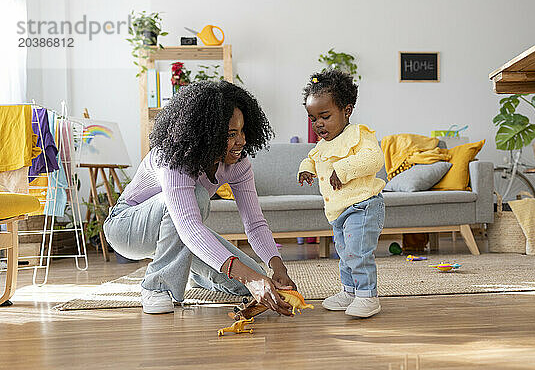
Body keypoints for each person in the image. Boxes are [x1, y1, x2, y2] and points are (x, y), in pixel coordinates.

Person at [103, 81, 296, 315]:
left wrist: (277, 267)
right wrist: (250, 277)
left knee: (249, 278)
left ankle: (190, 272)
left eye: (243, 131)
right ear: (207, 134)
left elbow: (255, 223)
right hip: (126, 228)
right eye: (231, 134)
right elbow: (189, 227)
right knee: (198, 196)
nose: (241, 141)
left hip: (178, 234)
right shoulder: (172, 158)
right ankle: (157, 286)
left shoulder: (239, 164)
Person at [298, 70, 385, 318]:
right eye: (313, 119)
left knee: (358, 253)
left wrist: (344, 168)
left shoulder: (359, 134)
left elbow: (374, 158)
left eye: (325, 116)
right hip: (338, 212)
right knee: (345, 255)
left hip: (363, 205)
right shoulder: (322, 145)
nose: (319, 124)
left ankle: (368, 296)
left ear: (347, 110)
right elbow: (312, 159)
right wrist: (305, 169)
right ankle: (349, 291)